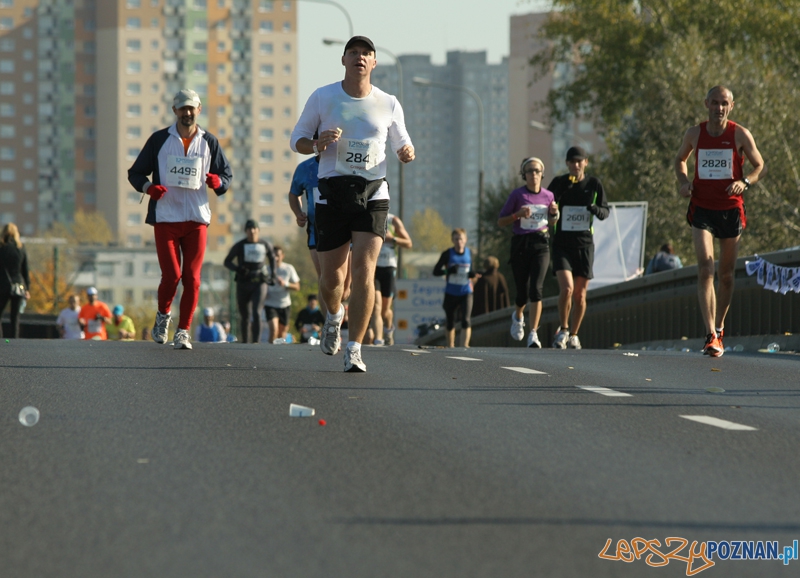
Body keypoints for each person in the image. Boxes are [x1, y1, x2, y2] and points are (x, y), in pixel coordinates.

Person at [290, 35, 415, 372]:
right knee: (332, 279)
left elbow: (402, 139)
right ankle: (333, 316)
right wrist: (317, 143)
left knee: (364, 272)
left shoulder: (388, 102)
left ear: (374, 63)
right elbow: (296, 140)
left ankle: (355, 348)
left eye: (367, 54)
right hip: (331, 192)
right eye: (354, 52)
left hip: (373, 191)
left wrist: (406, 151)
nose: (360, 57)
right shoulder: (323, 97)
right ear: (343, 60)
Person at [127, 88, 232, 351]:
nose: (187, 113)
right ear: (174, 111)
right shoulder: (159, 140)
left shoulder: (210, 142)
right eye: (182, 108)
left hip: (197, 218)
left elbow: (226, 177)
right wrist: (149, 188)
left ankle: (183, 331)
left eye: (191, 108)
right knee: (172, 275)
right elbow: (135, 173)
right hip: (166, 217)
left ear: (199, 110)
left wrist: (218, 181)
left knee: (193, 279)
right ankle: (163, 316)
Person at [674, 85, 765, 357]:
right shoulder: (695, 133)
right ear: (706, 104)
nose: (719, 108)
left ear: (731, 106)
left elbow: (759, 165)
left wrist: (744, 181)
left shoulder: (739, 134)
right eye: (714, 103)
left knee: (725, 276)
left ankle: (720, 327)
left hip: (730, 209)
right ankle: (710, 334)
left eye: (724, 103)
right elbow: (680, 159)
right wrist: (683, 181)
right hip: (701, 207)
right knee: (705, 268)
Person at [547, 146, 609, 349]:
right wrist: (552, 209)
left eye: (579, 161)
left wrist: (595, 209)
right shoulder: (559, 183)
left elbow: (605, 211)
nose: (575, 165)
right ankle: (563, 330)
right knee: (566, 288)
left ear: (586, 162)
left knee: (580, 295)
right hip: (562, 244)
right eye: (572, 161)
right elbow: (546, 204)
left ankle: (574, 334)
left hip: (584, 245)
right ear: (567, 163)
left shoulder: (593, 184)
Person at [498, 157, 559, 348]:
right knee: (522, 293)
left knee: (537, 290)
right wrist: (517, 215)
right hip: (521, 244)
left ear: (542, 174)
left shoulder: (549, 196)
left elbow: (552, 222)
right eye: (530, 171)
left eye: (537, 171)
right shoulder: (517, 195)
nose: (534, 174)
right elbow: (501, 221)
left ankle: (533, 334)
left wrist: (554, 214)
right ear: (524, 175)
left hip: (541, 243)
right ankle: (518, 316)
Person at [223, 219, 276, 343]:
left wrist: (273, 275)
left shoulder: (264, 244)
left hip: (259, 282)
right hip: (243, 282)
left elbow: (272, 257)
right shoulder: (240, 245)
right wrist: (238, 269)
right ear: (246, 231)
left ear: (258, 230)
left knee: (257, 312)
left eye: (254, 229)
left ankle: (256, 342)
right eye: (249, 229)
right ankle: (245, 342)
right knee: (245, 315)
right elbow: (227, 261)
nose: (252, 231)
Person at [433, 229, 480, 348]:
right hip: (451, 292)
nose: (459, 241)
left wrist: (472, 274)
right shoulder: (447, 254)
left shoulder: (469, 253)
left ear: (465, 240)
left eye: (461, 239)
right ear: (452, 240)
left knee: (466, 320)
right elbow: (436, 271)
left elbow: (472, 270)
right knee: (450, 321)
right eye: (456, 239)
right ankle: (451, 346)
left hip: (466, 292)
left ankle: (464, 346)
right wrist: (449, 271)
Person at [373, 212, 412, 345]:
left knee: (385, 311)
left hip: (389, 268)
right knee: (376, 307)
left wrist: (392, 239)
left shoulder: (393, 220)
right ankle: (379, 339)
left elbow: (408, 243)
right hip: (374, 268)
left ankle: (388, 329)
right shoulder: (370, 216)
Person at [289, 153, 322, 277]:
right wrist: (298, 213)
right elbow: (293, 194)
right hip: (316, 231)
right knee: (325, 279)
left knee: (345, 286)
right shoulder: (306, 167)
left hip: (343, 231)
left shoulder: (344, 165)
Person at [263, 245, 300, 344]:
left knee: (282, 333)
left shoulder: (288, 268)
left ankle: (279, 353)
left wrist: (285, 284)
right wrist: (263, 293)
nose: (276, 258)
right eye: (273, 255)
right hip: (270, 304)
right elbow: (259, 286)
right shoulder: (266, 269)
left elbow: (297, 287)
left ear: (282, 256)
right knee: (274, 329)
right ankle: (269, 353)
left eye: (278, 255)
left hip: (284, 304)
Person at [0, 223, 31, 339]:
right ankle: (14, 341)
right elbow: (25, 270)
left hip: (3, 285)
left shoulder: (1, 247)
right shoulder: (20, 247)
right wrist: (27, 288)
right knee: (15, 317)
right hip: (19, 285)